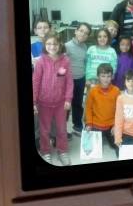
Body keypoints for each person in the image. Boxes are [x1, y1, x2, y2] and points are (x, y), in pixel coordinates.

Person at [32, 32, 73, 165]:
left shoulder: (65, 61)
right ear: (45, 45)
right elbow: (36, 81)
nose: (52, 46)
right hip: (43, 103)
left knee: (61, 128)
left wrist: (68, 99)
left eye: (55, 43)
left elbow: (68, 81)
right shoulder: (41, 61)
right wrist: (34, 101)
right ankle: (45, 151)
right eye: (49, 44)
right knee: (44, 129)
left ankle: (62, 151)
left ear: (60, 44)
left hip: (61, 103)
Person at [85, 63, 120, 153]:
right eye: (103, 76)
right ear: (98, 77)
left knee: (117, 146)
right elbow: (88, 108)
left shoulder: (116, 91)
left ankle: (109, 136)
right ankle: (99, 135)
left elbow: (119, 110)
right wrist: (89, 123)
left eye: (108, 76)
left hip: (111, 125)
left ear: (112, 77)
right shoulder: (93, 91)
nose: (106, 79)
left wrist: (116, 125)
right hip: (96, 124)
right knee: (92, 149)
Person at [64, 21, 91, 135]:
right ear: (75, 31)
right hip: (68, 81)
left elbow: (85, 63)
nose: (83, 34)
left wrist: (86, 77)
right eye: (81, 31)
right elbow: (62, 65)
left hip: (81, 79)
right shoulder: (67, 46)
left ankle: (77, 125)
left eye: (86, 33)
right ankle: (62, 128)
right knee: (66, 104)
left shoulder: (85, 47)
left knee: (78, 103)